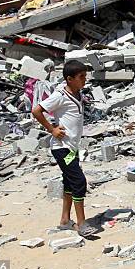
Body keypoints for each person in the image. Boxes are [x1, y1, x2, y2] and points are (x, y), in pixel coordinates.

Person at [32, 60, 96, 237]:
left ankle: (65, 220)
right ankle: (82, 224)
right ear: (69, 79)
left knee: (69, 181)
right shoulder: (60, 95)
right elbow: (37, 110)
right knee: (79, 182)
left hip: (72, 147)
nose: (84, 80)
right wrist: (51, 129)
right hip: (62, 148)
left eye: (85, 76)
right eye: (81, 77)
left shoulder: (77, 92)